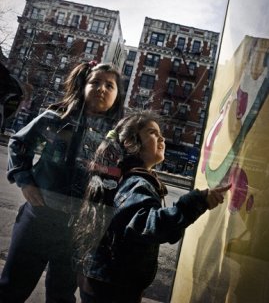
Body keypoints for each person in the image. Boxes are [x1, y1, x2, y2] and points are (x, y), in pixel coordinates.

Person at [73, 111, 231, 303]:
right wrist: (197, 201)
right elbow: (148, 225)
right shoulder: (136, 182)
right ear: (132, 144)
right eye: (152, 133)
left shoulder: (131, 178)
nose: (162, 137)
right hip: (114, 288)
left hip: (108, 281)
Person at [0, 61, 124, 303]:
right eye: (95, 82)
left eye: (110, 85)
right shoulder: (56, 118)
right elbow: (18, 143)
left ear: (118, 95)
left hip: (78, 231)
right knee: (11, 287)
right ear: (82, 86)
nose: (102, 88)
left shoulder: (118, 135)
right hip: (37, 218)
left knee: (62, 295)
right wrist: (25, 181)